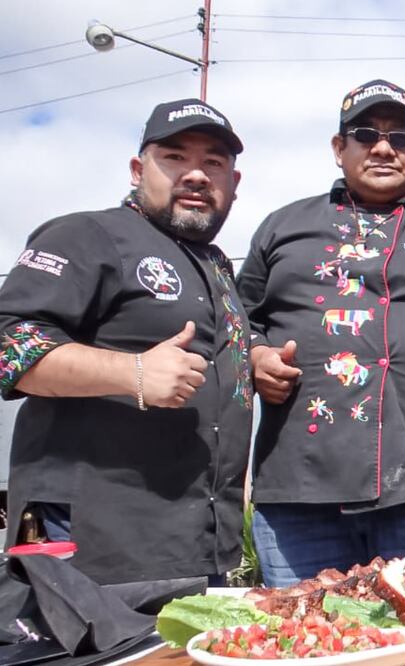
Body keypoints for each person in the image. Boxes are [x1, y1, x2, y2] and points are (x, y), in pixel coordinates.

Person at [237, 79, 405, 586]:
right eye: (366, 134)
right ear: (339, 149)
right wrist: (254, 357)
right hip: (298, 494)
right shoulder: (282, 225)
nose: (384, 147)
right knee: (304, 647)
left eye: (400, 137)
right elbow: (235, 321)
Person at [0, 99, 251, 584]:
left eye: (213, 162)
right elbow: (7, 343)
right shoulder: (87, 234)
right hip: (93, 558)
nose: (196, 174)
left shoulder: (218, 267)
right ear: (139, 169)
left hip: (198, 554)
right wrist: (131, 372)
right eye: (175, 157)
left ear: (233, 185)